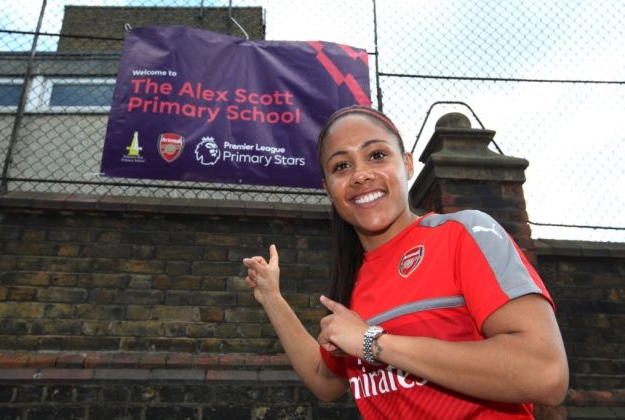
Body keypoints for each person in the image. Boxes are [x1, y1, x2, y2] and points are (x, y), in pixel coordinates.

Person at [243, 105, 569, 419]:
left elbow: (545, 373)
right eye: (341, 166)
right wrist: (272, 297)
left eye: (377, 155)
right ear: (328, 189)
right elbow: (324, 382)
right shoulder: (351, 285)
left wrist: (374, 343)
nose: (360, 175)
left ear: (408, 164)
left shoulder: (464, 234)